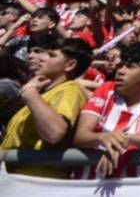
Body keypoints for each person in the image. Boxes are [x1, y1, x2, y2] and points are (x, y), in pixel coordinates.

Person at [73, 41, 140, 178]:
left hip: (134, 189)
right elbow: (80, 136)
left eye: (129, 67)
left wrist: (124, 140)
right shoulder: (105, 91)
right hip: (88, 184)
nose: (120, 71)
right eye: (121, 65)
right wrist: (102, 137)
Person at [1, 36, 92, 178]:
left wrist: (30, 94)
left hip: (38, 181)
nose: (42, 58)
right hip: (18, 178)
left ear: (70, 65)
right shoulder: (43, 94)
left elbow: (54, 132)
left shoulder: (70, 90)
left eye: (51, 55)